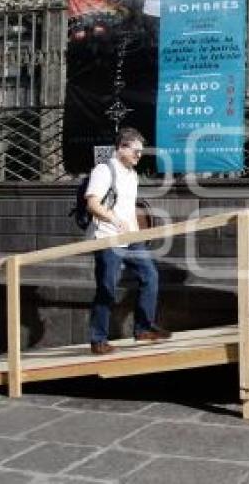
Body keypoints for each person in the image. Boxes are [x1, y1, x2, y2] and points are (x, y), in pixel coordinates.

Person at [86, 127, 170, 355]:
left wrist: (136, 232)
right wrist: (113, 219)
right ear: (122, 147)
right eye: (136, 151)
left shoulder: (132, 175)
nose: (139, 156)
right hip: (107, 237)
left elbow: (129, 208)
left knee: (150, 276)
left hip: (130, 237)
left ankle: (143, 329)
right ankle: (98, 339)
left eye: (141, 152)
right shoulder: (104, 170)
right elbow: (92, 204)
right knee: (107, 288)